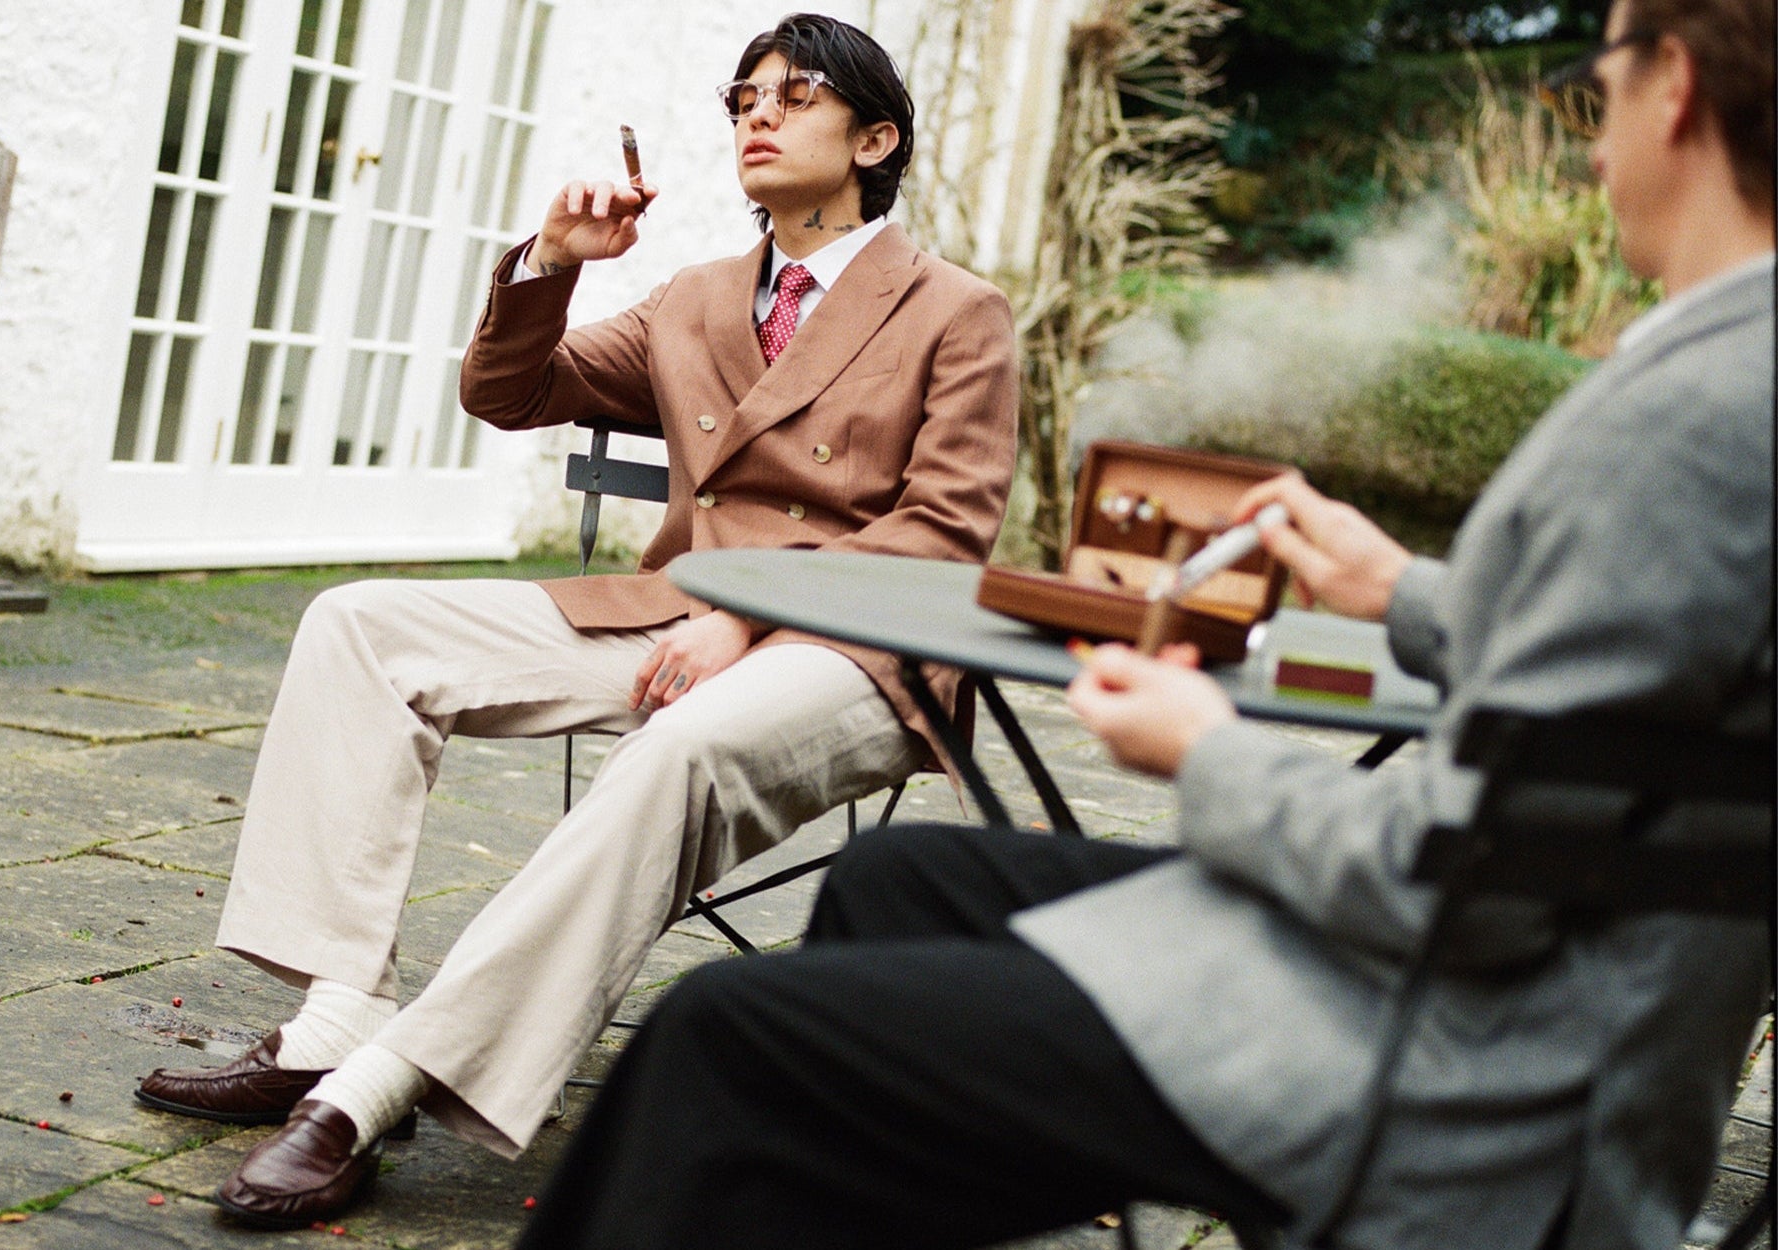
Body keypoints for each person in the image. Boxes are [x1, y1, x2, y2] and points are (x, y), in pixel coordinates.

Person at [514, 0, 1774, 1244]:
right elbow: (1638, 689)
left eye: (1601, 72)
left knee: (719, 1033)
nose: (1589, 130)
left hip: (1476, 1066)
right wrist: (1401, 590)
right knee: (899, 875)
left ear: (1671, 84)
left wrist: (1205, 749)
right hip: (1525, 981)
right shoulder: (1730, 372)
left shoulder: (1694, 418)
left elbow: (1468, 875)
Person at [130, 13, 1019, 1228]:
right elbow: (512, 391)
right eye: (743, 95)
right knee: (359, 624)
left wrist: (750, 615)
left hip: (857, 650)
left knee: (680, 748)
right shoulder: (696, 299)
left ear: (876, 139)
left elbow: (946, 534)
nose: (758, 113)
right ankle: (337, 1015)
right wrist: (553, 261)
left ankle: (371, 1092)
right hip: (674, 621)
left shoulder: (955, 310)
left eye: (796, 92)